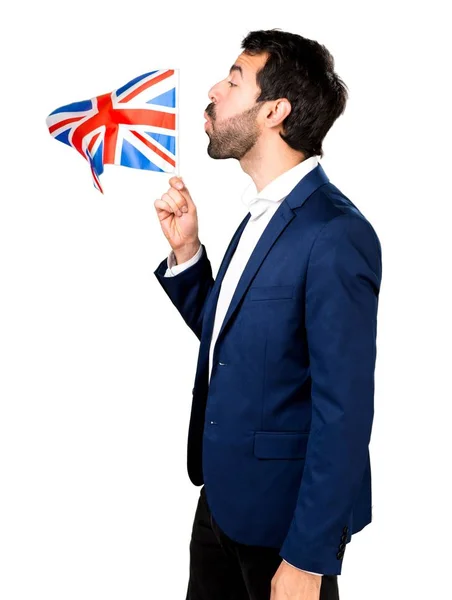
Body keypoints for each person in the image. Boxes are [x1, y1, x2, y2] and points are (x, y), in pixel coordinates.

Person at [153, 28, 382, 600]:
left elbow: (345, 412)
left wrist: (308, 557)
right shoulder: (258, 216)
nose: (214, 89)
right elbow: (236, 342)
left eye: (234, 80)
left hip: (285, 532)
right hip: (220, 508)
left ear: (274, 111)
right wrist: (187, 255)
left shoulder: (335, 233)